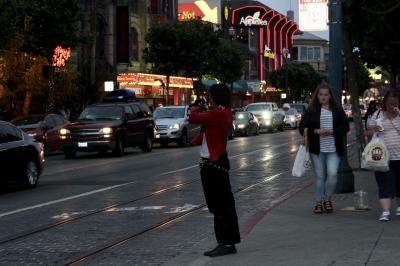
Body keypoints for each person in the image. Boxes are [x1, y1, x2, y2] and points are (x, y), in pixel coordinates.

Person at [189, 84, 240, 257]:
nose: (208, 99)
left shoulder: (219, 113)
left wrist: (195, 106)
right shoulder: (222, 112)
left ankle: (226, 243)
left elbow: (194, 117)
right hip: (211, 162)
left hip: (214, 162)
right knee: (219, 205)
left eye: (210, 96)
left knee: (221, 206)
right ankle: (226, 242)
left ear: (215, 96)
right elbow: (207, 130)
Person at [299, 83, 350, 214]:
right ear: (317, 96)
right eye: (321, 94)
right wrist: (316, 131)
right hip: (317, 150)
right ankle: (318, 202)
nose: (323, 97)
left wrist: (333, 132)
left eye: (326, 94)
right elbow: (302, 128)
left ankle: (327, 198)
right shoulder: (311, 110)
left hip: (333, 149)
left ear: (330, 96)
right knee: (320, 176)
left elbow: (345, 126)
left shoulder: (337, 109)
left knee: (332, 175)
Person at [366, 90, 400, 221]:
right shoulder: (377, 114)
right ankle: (385, 211)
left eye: (395, 103)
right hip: (382, 157)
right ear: (385, 102)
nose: (392, 106)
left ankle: (399, 207)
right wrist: (374, 129)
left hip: (399, 156)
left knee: (399, 183)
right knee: (384, 182)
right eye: (390, 103)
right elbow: (367, 133)